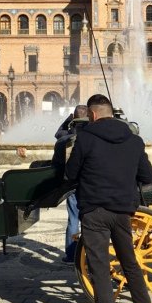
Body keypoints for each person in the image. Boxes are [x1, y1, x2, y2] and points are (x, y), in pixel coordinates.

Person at [66, 94, 152, 303]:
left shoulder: (85, 138)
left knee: (100, 271)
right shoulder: (134, 140)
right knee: (130, 263)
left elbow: (71, 174)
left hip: (95, 212)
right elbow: (147, 176)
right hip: (123, 212)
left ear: (93, 115)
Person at [52, 105, 87, 264]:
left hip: (72, 184)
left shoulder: (66, 137)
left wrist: (68, 119)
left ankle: (72, 255)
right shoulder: (93, 135)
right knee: (90, 218)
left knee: (73, 219)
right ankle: (88, 252)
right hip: (90, 183)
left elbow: (57, 133)